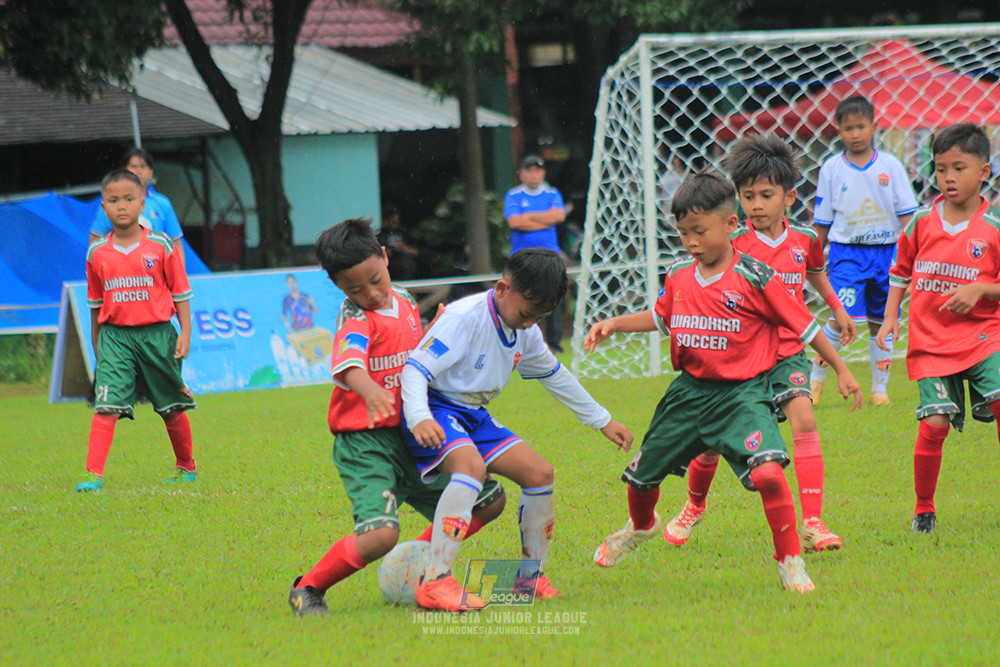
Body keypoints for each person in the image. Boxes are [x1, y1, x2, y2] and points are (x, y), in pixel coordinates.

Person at [586, 172, 863, 593]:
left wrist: (841, 369)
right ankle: (641, 527)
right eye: (682, 233)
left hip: (742, 396)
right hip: (688, 395)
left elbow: (805, 328)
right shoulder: (680, 274)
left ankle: (790, 562)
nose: (690, 241)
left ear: (731, 225)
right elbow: (661, 318)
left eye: (699, 230)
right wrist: (615, 324)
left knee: (770, 474)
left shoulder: (756, 276)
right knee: (641, 481)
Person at [288, 218, 506, 616]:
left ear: (386, 258)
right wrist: (369, 390)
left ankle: (425, 565)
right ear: (339, 287)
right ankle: (308, 586)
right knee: (380, 537)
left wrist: (436, 330)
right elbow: (351, 363)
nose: (369, 293)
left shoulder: (405, 300)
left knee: (486, 501)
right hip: (367, 443)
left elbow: (418, 353)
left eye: (375, 279)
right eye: (355, 288)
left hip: (413, 431)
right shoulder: (354, 317)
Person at [400, 248, 634, 611]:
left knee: (540, 473)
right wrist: (419, 417)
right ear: (503, 287)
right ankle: (435, 581)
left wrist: (602, 420)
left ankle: (529, 577)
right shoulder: (465, 317)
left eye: (539, 317)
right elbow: (415, 369)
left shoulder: (524, 330)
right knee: (471, 469)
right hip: (435, 407)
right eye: (527, 314)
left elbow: (555, 375)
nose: (530, 324)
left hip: (472, 414)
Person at [660, 134, 858, 553]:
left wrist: (838, 309)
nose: (756, 204)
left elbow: (816, 273)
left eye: (766, 195)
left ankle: (814, 521)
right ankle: (694, 506)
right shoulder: (731, 243)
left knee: (804, 419)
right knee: (711, 443)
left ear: (789, 197)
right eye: (748, 196)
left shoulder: (804, 239)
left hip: (787, 350)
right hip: (740, 356)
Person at [875, 123, 1000, 535]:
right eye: (941, 168)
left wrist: (981, 288)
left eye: (958, 168)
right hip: (930, 343)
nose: (948, 177)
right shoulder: (921, 224)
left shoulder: (994, 228)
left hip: (984, 338)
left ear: (983, 171)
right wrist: (891, 317)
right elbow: (900, 272)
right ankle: (924, 510)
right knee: (934, 424)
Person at [74, 169, 196, 492]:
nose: (122, 206)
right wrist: (97, 342)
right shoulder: (96, 254)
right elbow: (95, 305)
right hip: (116, 337)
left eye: (129, 199)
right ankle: (93, 475)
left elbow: (180, 292)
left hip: (158, 335)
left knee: (171, 407)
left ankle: (186, 466)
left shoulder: (160, 246)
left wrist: (185, 332)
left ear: (143, 203)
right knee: (106, 406)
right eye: (114, 201)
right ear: (103, 207)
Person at [809, 95, 919, 406]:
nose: (855, 134)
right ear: (838, 131)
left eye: (861, 126)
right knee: (839, 317)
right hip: (848, 254)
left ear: (873, 126)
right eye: (847, 129)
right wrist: (813, 260)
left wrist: (914, 258)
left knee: (881, 322)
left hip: (887, 255)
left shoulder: (891, 166)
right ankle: (815, 383)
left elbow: (908, 217)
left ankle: (879, 390)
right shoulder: (831, 169)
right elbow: (822, 222)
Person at [503, 155, 567, 353]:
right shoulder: (513, 195)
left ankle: (555, 343)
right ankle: (523, 344)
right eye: (528, 170)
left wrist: (529, 216)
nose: (533, 175)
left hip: (550, 256)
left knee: (553, 297)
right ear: (521, 174)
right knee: (523, 297)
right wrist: (544, 221)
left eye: (537, 170)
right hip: (523, 258)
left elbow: (559, 216)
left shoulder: (552, 193)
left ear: (543, 173)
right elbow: (514, 222)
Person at [90, 147, 186, 266]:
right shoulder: (112, 202)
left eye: (143, 167)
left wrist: (179, 273)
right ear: (125, 170)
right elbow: (96, 240)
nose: (138, 171)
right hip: (121, 272)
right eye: (134, 167)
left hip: (156, 271)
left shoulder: (163, 203)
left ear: (150, 172)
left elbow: (176, 242)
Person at [377, 204, 420, 281]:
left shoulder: (404, 233)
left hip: (406, 269)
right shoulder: (381, 235)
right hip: (390, 271)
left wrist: (403, 249)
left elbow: (416, 252)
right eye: (392, 221)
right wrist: (390, 251)